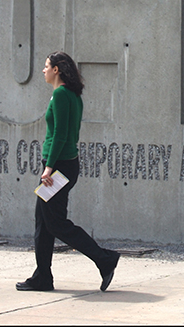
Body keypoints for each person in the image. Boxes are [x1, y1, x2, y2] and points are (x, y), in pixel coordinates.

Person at [17, 51, 121, 292]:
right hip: (65, 165)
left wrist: (49, 168)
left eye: (46, 66)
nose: (43, 70)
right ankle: (43, 277)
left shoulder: (61, 94)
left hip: (58, 167)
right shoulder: (73, 95)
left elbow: (61, 136)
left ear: (57, 70)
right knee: (43, 221)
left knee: (56, 223)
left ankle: (105, 259)